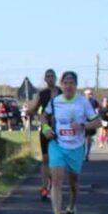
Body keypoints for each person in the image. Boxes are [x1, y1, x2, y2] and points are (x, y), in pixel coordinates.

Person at [41, 70, 99, 214]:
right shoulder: (54, 102)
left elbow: (97, 122)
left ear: (76, 85)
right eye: (65, 83)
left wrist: (82, 126)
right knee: (57, 181)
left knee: (73, 183)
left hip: (76, 147)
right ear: (61, 85)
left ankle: (71, 208)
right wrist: (45, 128)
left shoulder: (83, 102)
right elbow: (43, 116)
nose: (68, 86)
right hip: (57, 144)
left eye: (71, 83)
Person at [25, 70, 61, 201]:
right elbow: (33, 109)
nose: (50, 79)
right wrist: (29, 112)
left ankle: (54, 184)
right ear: (45, 79)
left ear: (56, 78)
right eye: (48, 76)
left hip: (59, 129)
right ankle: (45, 187)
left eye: (52, 76)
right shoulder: (42, 94)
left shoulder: (61, 93)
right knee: (45, 159)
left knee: (56, 159)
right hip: (46, 128)